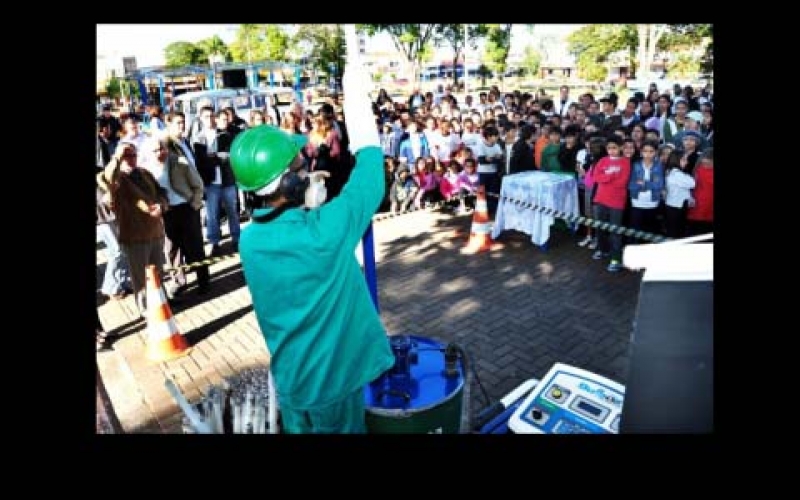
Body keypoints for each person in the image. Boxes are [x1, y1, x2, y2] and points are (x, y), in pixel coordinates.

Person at [230, 26, 394, 434]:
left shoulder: (250, 240)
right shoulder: (324, 233)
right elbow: (371, 176)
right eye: (302, 166)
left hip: (294, 384)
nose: (310, 167)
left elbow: (291, 228)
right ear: (286, 185)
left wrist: (308, 197)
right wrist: (357, 99)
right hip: (333, 388)